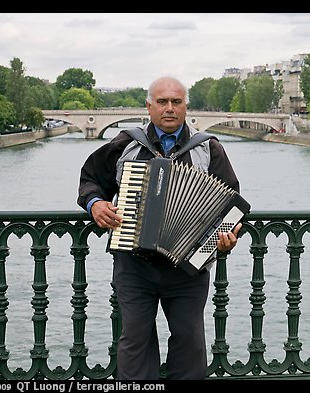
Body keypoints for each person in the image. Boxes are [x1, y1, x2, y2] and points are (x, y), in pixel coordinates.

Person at [77, 76, 242, 380]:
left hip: (187, 268)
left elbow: (231, 203)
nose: (169, 108)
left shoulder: (208, 149)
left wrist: (227, 236)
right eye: (162, 102)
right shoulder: (126, 143)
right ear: (149, 107)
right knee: (135, 343)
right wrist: (96, 204)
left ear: (185, 107)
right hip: (133, 265)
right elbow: (90, 179)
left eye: (176, 102)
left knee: (189, 344)